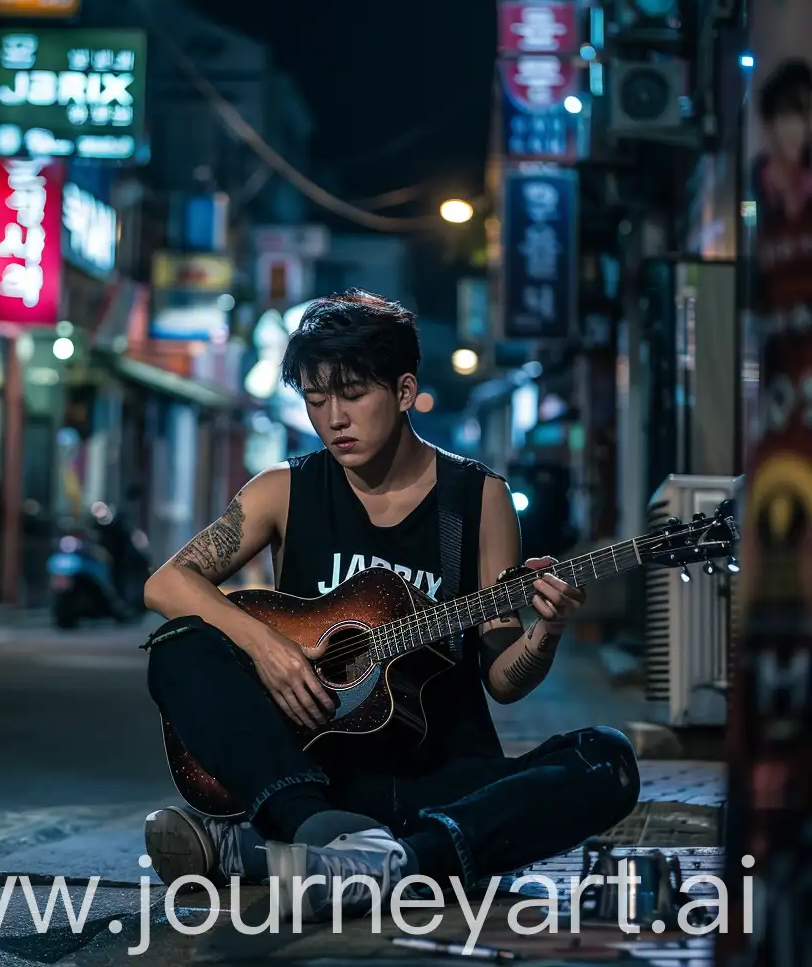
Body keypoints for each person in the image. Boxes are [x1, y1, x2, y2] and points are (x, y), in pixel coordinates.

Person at [140, 293, 640, 892]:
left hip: (445, 776)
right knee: (178, 645)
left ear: (404, 392)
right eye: (315, 400)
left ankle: (368, 859)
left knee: (604, 759)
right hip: (321, 779)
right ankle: (314, 830)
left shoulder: (476, 500)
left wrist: (547, 630)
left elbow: (504, 681)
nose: (333, 420)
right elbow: (167, 581)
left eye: (352, 395)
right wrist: (267, 648)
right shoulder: (284, 490)